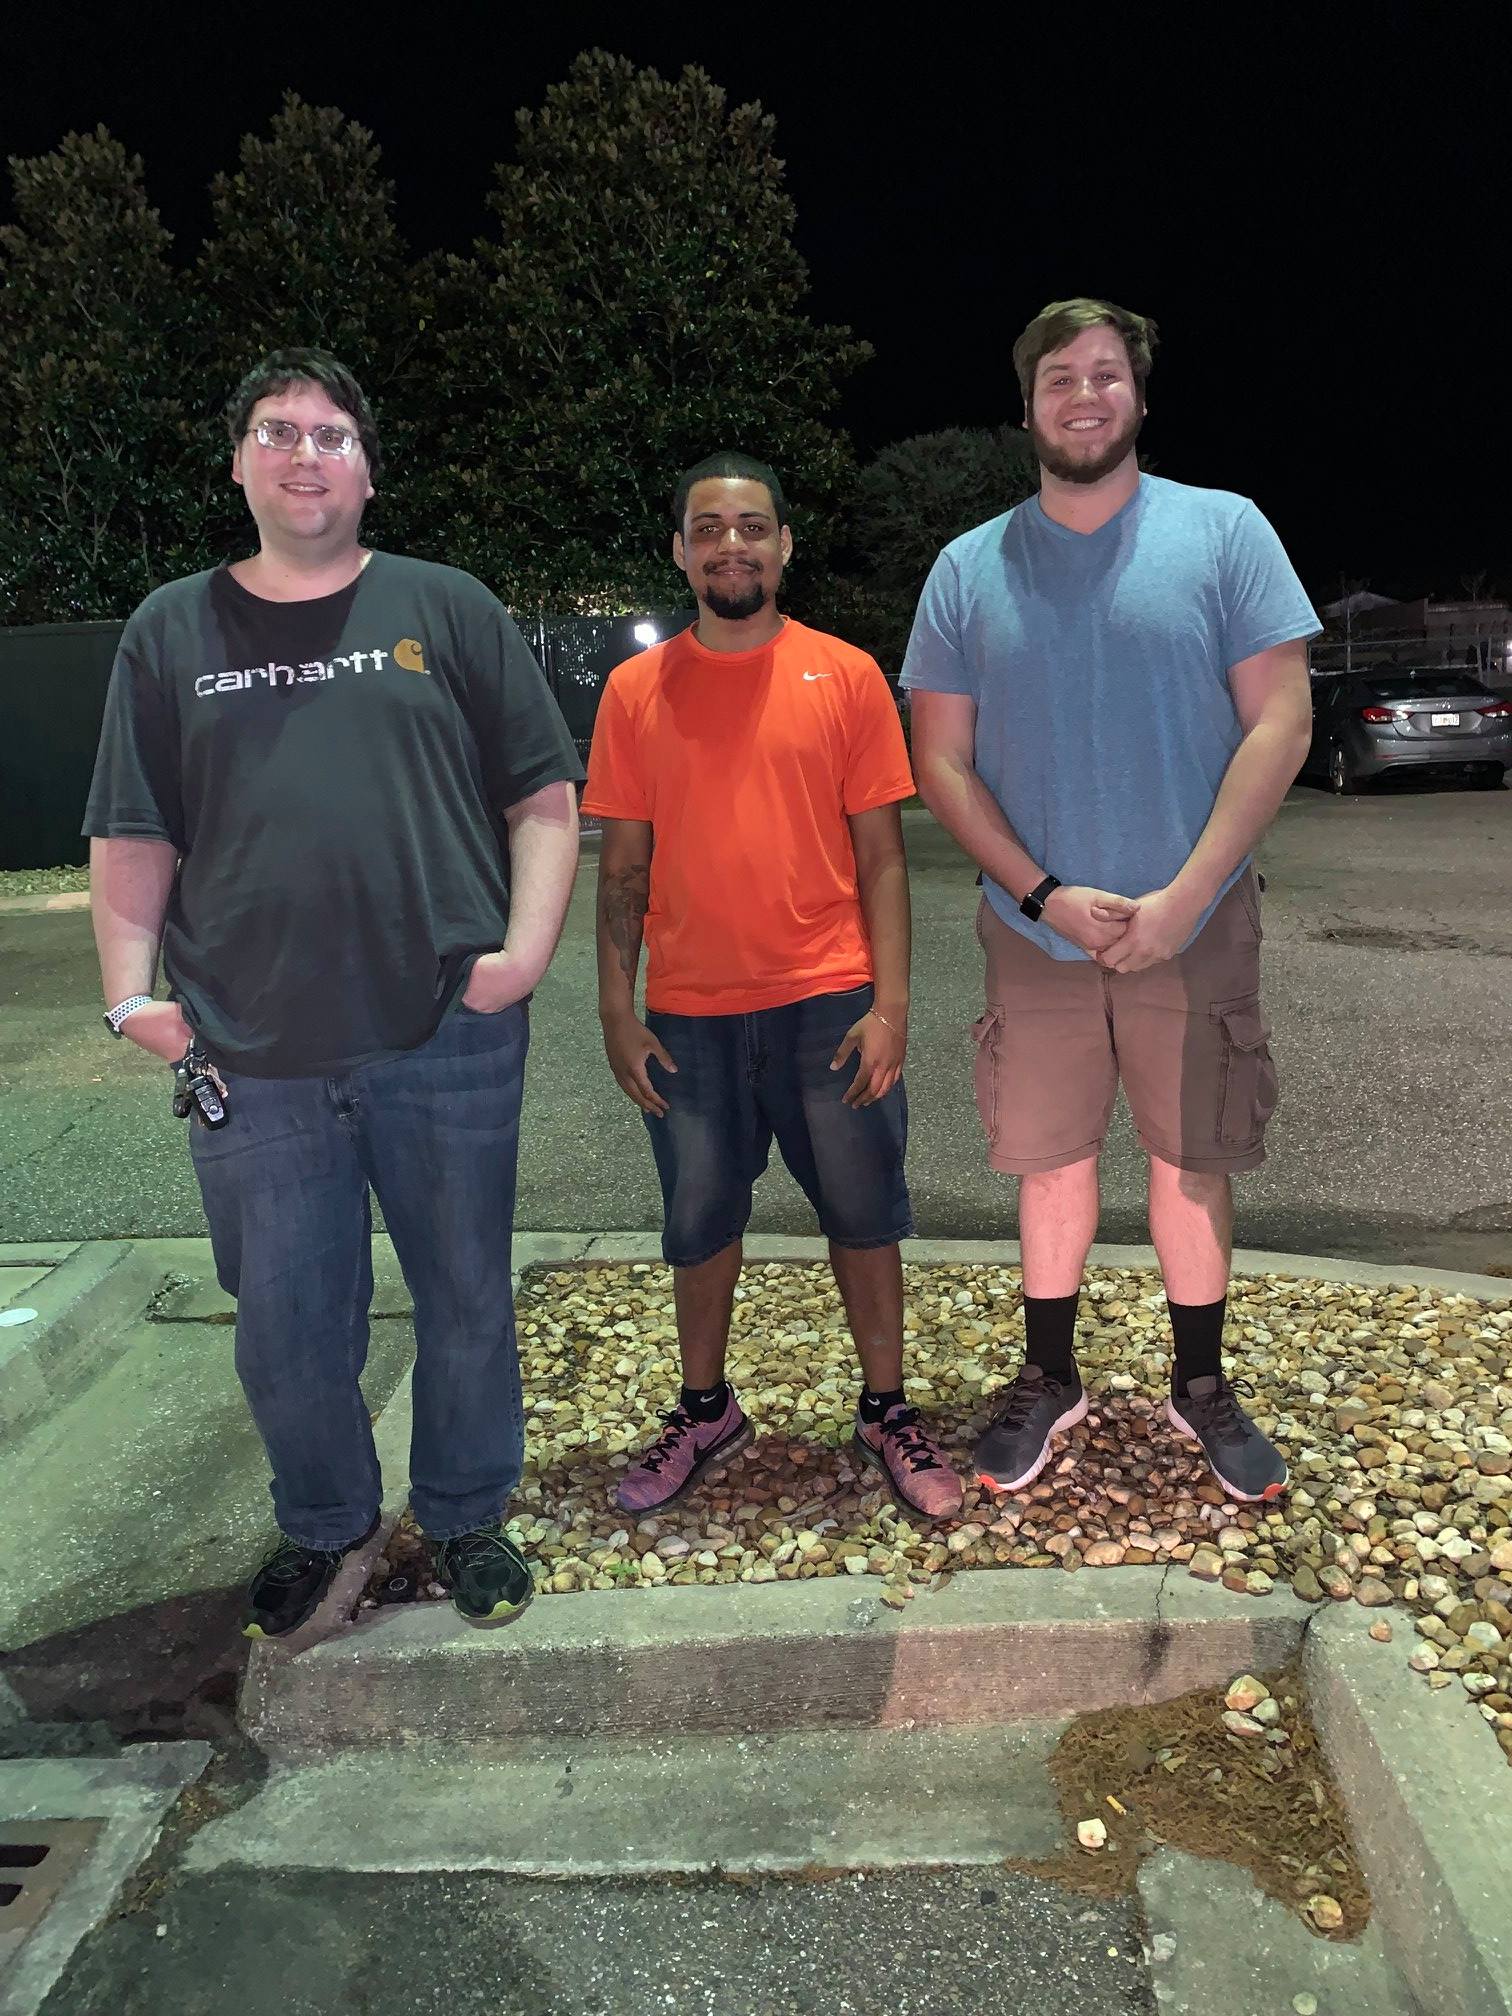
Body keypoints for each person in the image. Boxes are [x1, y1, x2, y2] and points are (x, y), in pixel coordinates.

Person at [84, 348, 583, 1636]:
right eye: (277, 432)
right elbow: (133, 829)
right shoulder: (170, 630)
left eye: (330, 435)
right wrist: (133, 999)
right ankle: (326, 1522)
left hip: (445, 1035)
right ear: (238, 463)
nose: (304, 455)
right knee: (286, 1324)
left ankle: (465, 1512)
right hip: (251, 1052)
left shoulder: (446, 605)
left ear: (367, 469)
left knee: (465, 1296)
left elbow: (543, 795)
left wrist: (523, 956)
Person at [905, 299, 1319, 1505]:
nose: (1082, 396)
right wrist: (1040, 893)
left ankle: (1201, 1382)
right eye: (1058, 378)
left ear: (1139, 394)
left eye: (1104, 374)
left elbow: (1281, 723)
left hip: (1193, 923)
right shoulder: (968, 568)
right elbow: (940, 760)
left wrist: (1186, 897)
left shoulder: (1225, 532)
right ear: (1027, 406)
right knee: (1049, 1162)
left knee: (1192, 1158)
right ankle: (1051, 1375)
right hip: (1036, 932)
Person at [582, 452, 963, 1521]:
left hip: (829, 1000)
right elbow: (623, 870)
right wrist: (615, 1007)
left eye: (751, 526)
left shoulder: (844, 676)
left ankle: (885, 1408)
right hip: (689, 1014)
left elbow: (883, 858)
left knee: (864, 1210)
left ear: (784, 544)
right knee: (699, 1218)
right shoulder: (636, 692)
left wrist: (890, 1007)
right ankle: (706, 1409)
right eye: (708, 528)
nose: (731, 544)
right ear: (680, 551)